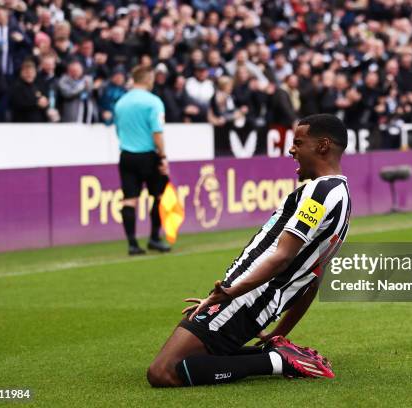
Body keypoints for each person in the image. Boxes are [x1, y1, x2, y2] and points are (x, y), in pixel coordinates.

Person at [147, 113, 351, 387]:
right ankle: (277, 354)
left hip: (246, 297)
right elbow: (314, 277)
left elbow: (283, 256)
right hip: (250, 300)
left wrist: (231, 293)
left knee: (163, 372)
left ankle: (276, 361)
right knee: (192, 358)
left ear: (323, 146)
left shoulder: (321, 192)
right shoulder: (342, 199)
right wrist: (279, 332)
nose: (291, 149)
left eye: (299, 143)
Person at [114, 65, 171, 255]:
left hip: (127, 155)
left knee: (129, 200)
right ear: (147, 79)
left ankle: (132, 244)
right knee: (159, 196)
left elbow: (118, 131)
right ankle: (154, 238)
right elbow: (157, 133)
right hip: (148, 155)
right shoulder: (153, 102)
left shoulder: (120, 102)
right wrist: (162, 156)